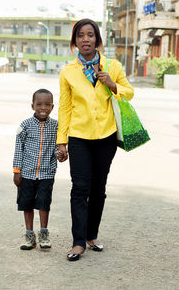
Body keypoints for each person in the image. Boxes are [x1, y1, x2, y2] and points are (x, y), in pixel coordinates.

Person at [57, 18, 134, 261]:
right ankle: (78, 242)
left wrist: (111, 84)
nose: (85, 39)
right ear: (75, 41)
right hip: (79, 136)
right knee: (80, 188)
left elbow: (129, 93)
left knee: (98, 189)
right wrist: (62, 141)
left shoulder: (112, 65)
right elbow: (65, 107)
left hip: (106, 137)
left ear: (97, 39)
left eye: (90, 35)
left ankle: (92, 235)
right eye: (80, 35)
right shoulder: (68, 72)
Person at [13, 88, 57, 250]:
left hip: (46, 174)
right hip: (27, 174)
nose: (43, 108)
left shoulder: (55, 126)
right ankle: (29, 236)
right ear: (32, 106)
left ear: (52, 107)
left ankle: (44, 235)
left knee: (44, 204)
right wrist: (17, 171)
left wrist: (59, 154)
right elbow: (19, 149)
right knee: (27, 205)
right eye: (39, 104)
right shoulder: (25, 126)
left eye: (47, 104)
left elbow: (55, 148)